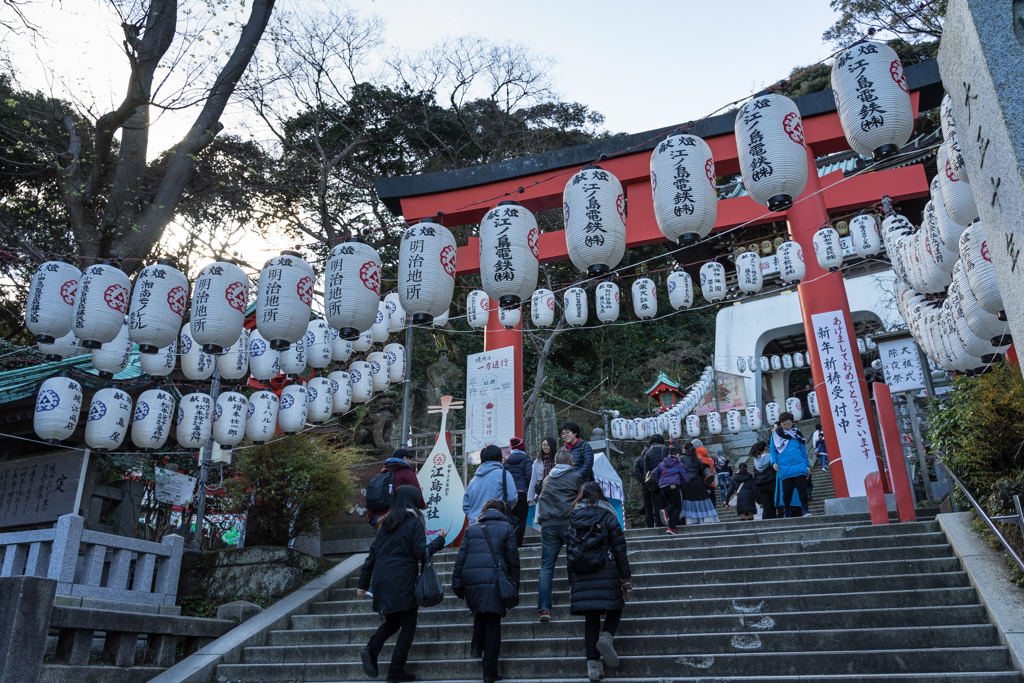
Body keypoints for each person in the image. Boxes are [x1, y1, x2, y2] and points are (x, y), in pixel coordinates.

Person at [358, 486, 446, 682]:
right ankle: (395, 670)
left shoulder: (384, 524)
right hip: (402, 580)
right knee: (408, 624)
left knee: (393, 621)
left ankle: (371, 649)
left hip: (382, 580)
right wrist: (439, 541)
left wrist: (364, 583)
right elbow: (420, 553)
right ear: (413, 502)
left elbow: (372, 556)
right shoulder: (414, 522)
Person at [566, 482, 632, 682]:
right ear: (599, 495)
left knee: (591, 620)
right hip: (606, 569)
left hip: (581, 573)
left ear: (581, 496)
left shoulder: (573, 518)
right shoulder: (608, 515)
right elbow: (620, 550)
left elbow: (569, 553)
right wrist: (626, 579)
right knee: (616, 608)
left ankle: (593, 668)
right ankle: (606, 638)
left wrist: (572, 584)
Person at [452, 499, 520, 683]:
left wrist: (457, 584)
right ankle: (489, 672)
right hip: (494, 579)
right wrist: (513, 584)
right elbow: (513, 560)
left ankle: (476, 646)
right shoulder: (506, 528)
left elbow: (460, 559)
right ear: (501, 512)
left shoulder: (471, 529)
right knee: (492, 625)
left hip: (472, 578)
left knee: (481, 611)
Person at [534, 448, 582, 622]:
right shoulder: (576, 478)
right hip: (569, 524)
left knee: (546, 568)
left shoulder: (546, 480)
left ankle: (544, 609)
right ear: (571, 463)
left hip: (548, 525)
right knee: (575, 561)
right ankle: (576, 597)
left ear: (555, 463)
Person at [367, 449, 425, 528]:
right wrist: (423, 505)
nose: (409, 461)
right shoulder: (407, 471)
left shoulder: (382, 473)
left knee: (383, 539)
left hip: (376, 517)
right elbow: (416, 492)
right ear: (404, 458)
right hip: (396, 517)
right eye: (409, 459)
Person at [463, 444, 519, 525]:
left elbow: (465, 505)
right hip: (497, 524)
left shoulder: (473, 481)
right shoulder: (504, 474)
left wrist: (474, 516)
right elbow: (512, 498)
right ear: (499, 460)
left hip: (475, 526)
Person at [770, 412, 811, 518]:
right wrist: (774, 462)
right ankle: (787, 509)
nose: (787, 426)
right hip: (785, 468)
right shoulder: (775, 435)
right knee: (787, 491)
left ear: (792, 422)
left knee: (802, 489)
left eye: (788, 423)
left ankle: (805, 509)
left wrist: (807, 465)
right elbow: (773, 450)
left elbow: (803, 450)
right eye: (784, 424)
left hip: (800, 466)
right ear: (780, 424)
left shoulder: (797, 433)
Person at [677, 442, 720, 525]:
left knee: (690, 503)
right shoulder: (698, 458)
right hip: (699, 483)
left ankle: (692, 521)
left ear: (685, 450)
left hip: (687, 484)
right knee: (702, 502)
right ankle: (707, 520)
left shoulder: (681, 458)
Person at [649, 447, 689, 533]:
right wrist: (680, 486)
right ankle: (671, 527)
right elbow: (686, 480)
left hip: (663, 487)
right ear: (678, 455)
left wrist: (659, 482)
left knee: (674, 504)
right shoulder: (679, 465)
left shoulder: (661, 464)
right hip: (673, 486)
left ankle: (666, 511)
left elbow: (653, 473)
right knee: (678, 507)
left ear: (669, 455)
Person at [503, 437, 533, 548]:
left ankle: (510, 543)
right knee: (522, 518)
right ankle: (518, 542)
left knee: (510, 518)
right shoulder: (526, 460)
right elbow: (529, 476)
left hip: (508, 494)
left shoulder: (505, 461)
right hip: (522, 492)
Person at [637, 435, 668, 528]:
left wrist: (648, 484)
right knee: (669, 504)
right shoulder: (667, 450)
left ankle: (659, 527)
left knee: (657, 507)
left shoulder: (648, 453)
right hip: (668, 481)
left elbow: (646, 472)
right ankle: (670, 525)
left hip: (655, 484)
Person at [751, 441, 778, 520]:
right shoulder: (771, 457)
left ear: (758, 450)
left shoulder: (756, 461)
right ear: (766, 447)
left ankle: (765, 525)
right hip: (772, 483)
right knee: (773, 506)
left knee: (766, 508)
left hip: (761, 487)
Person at [692, 439, 717, 506]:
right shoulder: (710, 459)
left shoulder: (695, 458)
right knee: (712, 505)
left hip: (700, 485)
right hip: (710, 483)